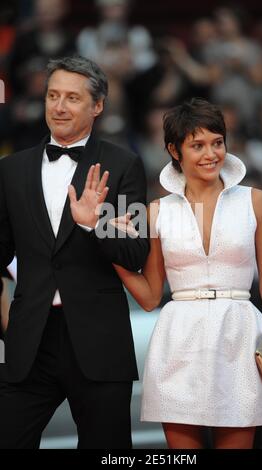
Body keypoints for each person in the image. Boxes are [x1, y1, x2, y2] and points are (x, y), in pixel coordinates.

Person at [112, 98, 262, 449]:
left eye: (217, 142)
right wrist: (115, 254)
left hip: (240, 337)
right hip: (178, 341)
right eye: (197, 145)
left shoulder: (255, 201)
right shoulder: (156, 212)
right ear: (174, 150)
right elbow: (151, 295)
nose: (211, 154)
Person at [0, 55, 149, 449]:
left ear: (97, 106)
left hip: (100, 340)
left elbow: (137, 254)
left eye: (72, 98)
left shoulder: (124, 165)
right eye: (52, 96)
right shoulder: (10, 170)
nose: (59, 107)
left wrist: (91, 223)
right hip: (29, 340)